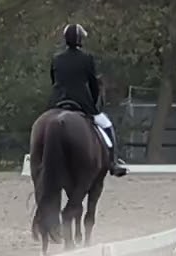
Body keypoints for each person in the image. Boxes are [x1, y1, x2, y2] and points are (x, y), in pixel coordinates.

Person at [49, 23, 129, 177]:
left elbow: (54, 82)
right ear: (80, 40)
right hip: (81, 102)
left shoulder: (56, 59)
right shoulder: (86, 58)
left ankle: (37, 158)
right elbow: (93, 84)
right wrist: (93, 103)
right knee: (107, 125)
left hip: (56, 102)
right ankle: (113, 162)